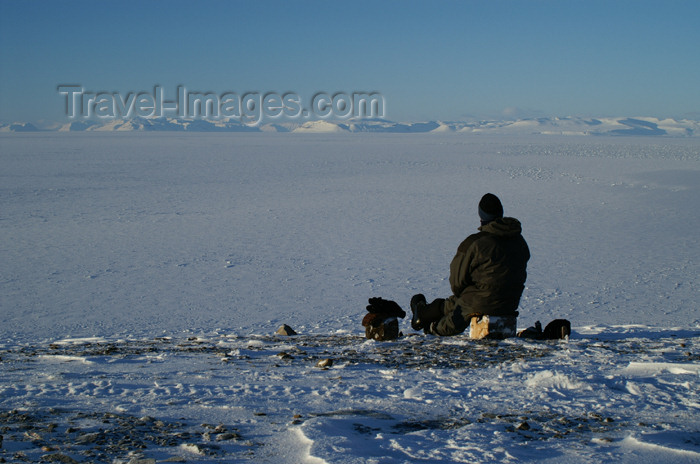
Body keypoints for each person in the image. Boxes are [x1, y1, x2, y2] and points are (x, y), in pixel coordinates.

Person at [410, 193, 530, 337]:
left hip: (482, 300)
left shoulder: (475, 243)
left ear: (481, 215)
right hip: (510, 301)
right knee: (460, 301)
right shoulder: (519, 241)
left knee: (461, 308)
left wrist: (467, 291)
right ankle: (422, 313)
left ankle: (429, 326)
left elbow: (457, 282)